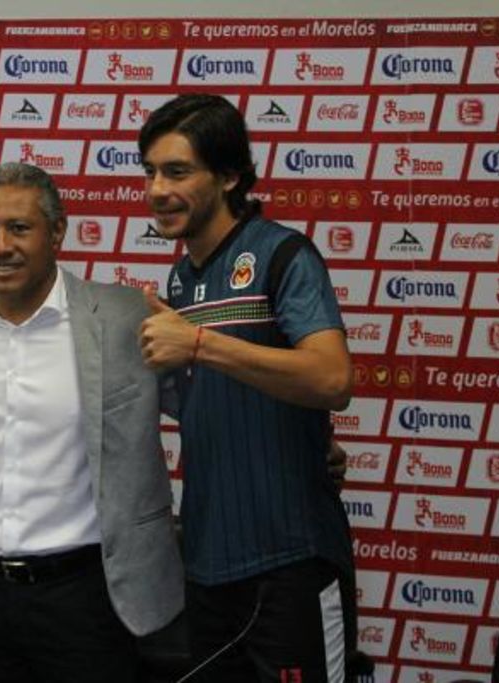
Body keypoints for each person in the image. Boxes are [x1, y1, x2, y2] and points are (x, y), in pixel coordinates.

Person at [0, 162, 184, 683]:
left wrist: (313, 445)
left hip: (88, 593)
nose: (0, 247)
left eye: (19, 228)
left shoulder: (124, 316)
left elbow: (203, 406)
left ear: (57, 231)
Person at [137, 94, 354, 682]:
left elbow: (333, 379)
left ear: (230, 176)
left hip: (290, 561)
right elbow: (218, 402)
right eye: (150, 172)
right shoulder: (180, 280)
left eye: (177, 172)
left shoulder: (283, 254)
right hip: (209, 563)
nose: (157, 190)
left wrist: (199, 344)